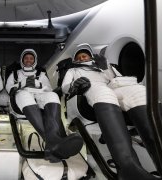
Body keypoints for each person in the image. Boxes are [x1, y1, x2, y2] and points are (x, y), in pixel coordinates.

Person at [61, 43, 159, 180]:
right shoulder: (73, 71)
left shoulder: (102, 66)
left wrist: (105, 67)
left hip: (114, 86)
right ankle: (129, 168)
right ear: (75, 60)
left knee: (139, 92)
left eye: (85, 55)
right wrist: (75, 85)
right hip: (91, 89)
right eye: (79, 57)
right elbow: (65, 87)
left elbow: (116, 79)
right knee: (104, 92)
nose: (82, 58)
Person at [6, 49, 83, 163]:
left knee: (52, 95)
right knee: (24, 94)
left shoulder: (41, 74)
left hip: (40, 94)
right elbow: (9, 88)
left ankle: (52, 145)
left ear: (35, 60)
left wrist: (37, 84)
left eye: (31, 58)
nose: (28, 60)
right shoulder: (15, 74)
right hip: (22, 94)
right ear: (22, 60)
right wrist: (23, 84)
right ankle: (55, 141)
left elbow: (48, 88)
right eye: (26, 58)